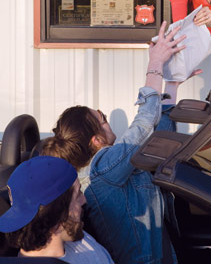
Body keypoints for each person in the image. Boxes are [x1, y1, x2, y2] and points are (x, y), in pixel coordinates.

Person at [40, 21, 189, 264]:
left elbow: (156, 137)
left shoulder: (113, 167)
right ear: (96, 140)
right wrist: (155, 65)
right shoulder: (101, 170)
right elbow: (142, 125)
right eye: (103, 118)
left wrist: (172, 83)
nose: (109, 121)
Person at [0, 155, 114, 264]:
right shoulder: (72, 230)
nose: (84, 200)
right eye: (78, 194)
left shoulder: (72, 230)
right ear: (56, 212)